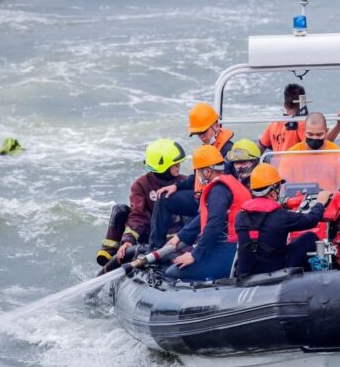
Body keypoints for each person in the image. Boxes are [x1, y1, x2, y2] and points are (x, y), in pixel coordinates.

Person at [148, 102, 235, 248]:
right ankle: (155, 247)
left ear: (216, 125)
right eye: (197, 134)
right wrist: (175, 186)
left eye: (203, 132)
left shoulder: (228, 151)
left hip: (213, 202)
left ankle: (184, 244)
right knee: (164, 198)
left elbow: (226, 187)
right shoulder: (208, 147)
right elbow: (196, 178)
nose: (201, 137)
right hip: (198, 198)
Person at [163, 145, 251, 281]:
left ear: (208, 172)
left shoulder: (218, 191)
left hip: (227, 252)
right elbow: (206, 217)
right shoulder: (234, 183)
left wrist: (194, 255)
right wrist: (180, 236)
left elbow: (214, 225)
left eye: (198, 171)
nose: (197, 175)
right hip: (240, 249)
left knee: (172, 273)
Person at [95, 139, 187, 265]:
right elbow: (138, 216)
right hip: (149, 236)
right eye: (176, 164)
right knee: (120, 210)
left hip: (176, 237)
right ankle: (109, 254)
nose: (179, 167)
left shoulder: (183, 182)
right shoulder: (141, 185)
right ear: (162, 166)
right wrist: (128, 241)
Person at [234, 164, 332, 276]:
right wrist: (320, 203)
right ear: (272, 191)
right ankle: (309, 279)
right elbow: (312, 220)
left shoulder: (240, 216)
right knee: (310, 237)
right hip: (275, 272)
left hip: (245, 273)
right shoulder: (281, 216)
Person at [258, 84, 340, 153]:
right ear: (304, 102)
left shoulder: (273, 124)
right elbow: (322, 144)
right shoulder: (302, 123)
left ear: (285, 105)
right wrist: (339, 125)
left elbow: (259, 149)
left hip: (277, 171)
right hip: (296, 170)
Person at [277, 112, 340, 192]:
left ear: (326, 131)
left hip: (331, 200)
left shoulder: (338, 154)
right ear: (304, 131)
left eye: (319, 135)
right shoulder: (291, 155)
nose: (314, 138)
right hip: (299, 201)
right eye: (310, 134)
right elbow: (283, 187)